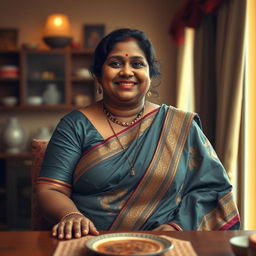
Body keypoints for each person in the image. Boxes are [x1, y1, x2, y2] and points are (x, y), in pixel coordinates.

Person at [36, 28, 240, 240]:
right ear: (98, 74)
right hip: (91, 241)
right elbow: (51, 189)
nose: (126, 71)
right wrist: (70, 215)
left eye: (137, 64)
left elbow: (212, 190)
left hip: (166, 243)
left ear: (150, 75)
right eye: (115, 63)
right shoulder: (75, 125)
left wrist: (176, 227)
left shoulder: (179, 125)